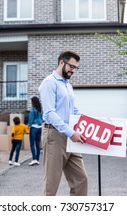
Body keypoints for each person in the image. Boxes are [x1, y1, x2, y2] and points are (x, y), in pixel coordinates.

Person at [39, 50, 88, 196]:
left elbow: (74, 109)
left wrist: (89, 122)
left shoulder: (67, 85)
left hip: (70, 135)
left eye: (76, 68)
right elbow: (49, 113)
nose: (73, 71)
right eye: (71, 67)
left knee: (81, 180)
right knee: (51, 185)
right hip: (54, 135)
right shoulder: (49, 83)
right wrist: (71, 132)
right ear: (62, 62)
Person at [28, 96, 43, 166]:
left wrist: (28, 126)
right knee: (37, 144)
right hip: (40, 128)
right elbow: (43, 119)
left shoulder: (32, 110)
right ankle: (37, 159)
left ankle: (34, 159)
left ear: (33, 102)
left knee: (32, 144)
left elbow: (31, 119)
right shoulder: (40, 109)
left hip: (33, 127)